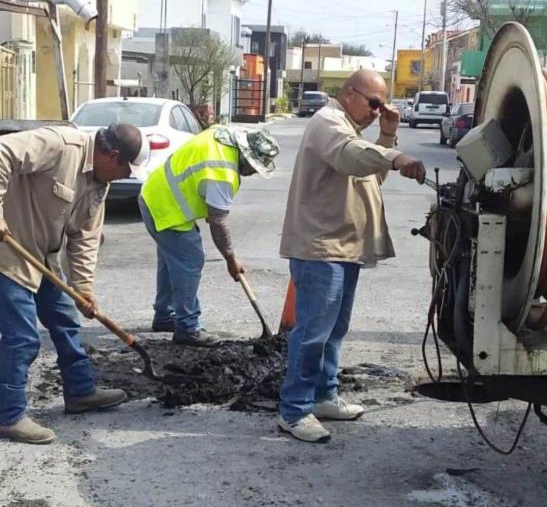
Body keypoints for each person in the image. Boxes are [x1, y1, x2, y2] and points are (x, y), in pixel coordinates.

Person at [278, 69, 427, 443]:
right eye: (373, 103)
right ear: (348, 94)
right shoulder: (328, 122)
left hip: (344, 249)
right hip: (321, 249)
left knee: (334, 331)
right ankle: (294, 411)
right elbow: (349, 157)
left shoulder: (351, 132)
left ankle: (325, 396)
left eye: (382, 105)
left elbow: (369, 178)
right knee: (312, 333)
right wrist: (393, 154)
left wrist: (388, 136)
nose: (377, 111)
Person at [0, 123, 149, 444]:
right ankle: (8, 415)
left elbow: (85, 238)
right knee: (22, 337)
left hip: (44, 257)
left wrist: (84, 288)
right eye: (126, 169)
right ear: (112, 156)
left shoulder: (99, 184)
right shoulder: (59, 144)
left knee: (66, 321)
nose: (126, 176)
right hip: (9, 252)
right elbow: (2, 152)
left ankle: (80, 392)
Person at [139, 125, 279, 347]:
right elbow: (218, 222)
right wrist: (231, 259)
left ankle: (165, 315)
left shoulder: (221, 134)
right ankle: (188, 327)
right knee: (190, 260)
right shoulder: (222, 173)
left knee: (171, 258)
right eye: (253, 167)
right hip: (166, 207)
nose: (252, 173)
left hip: (154, 193)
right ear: (246, 156)